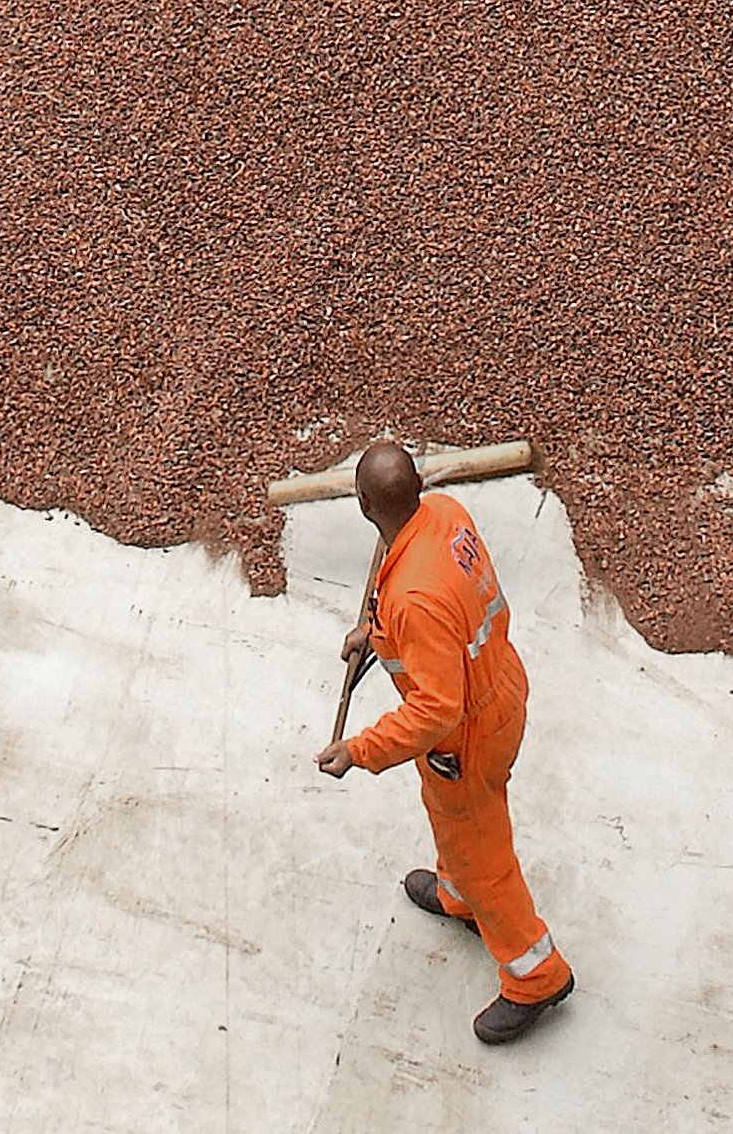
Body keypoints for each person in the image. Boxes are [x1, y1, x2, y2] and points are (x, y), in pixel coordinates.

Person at [316, 441, 575, 1044]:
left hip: (468, 732)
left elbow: (436, 707)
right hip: (496, 685)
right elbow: (440, 610)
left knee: (485, 854)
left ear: (363, 505)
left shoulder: (414, 600)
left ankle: (536, 976)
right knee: (453, 819)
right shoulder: (445, 515)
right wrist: (377, 638)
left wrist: (360, 750)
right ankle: (459, 897)